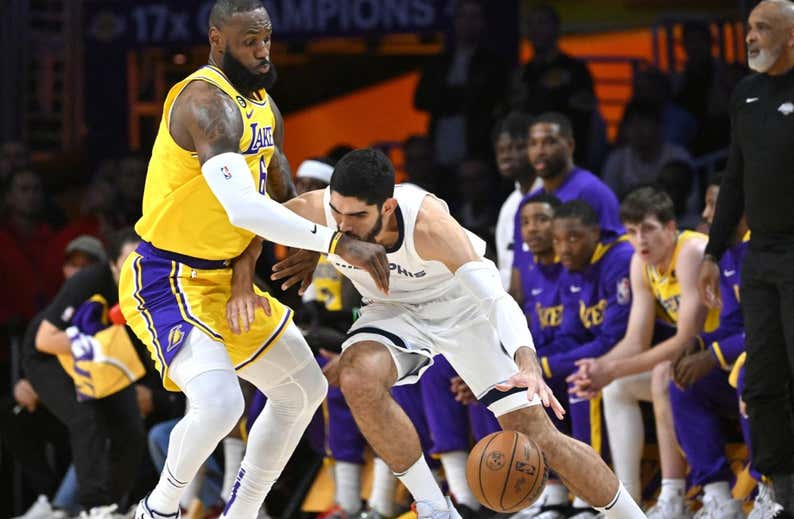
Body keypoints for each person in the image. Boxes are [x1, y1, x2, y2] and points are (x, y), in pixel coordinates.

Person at [115, 2, 389, 518]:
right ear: (217, 39)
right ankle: (157, 509)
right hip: (168, 276)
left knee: (303, 389)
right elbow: (243, 207)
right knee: (221, 403)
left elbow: (278, 193)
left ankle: (241, 512)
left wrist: (290, 250)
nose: (263, 52)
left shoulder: (264, 106)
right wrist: (335, 243)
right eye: (250, 42)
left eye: (267, 39)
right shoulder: (204, 103)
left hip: (223, 277)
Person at [267, 148, 646, 518]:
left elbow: (496, 300)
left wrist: (527, 363)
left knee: (539, 435)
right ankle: (435, 507)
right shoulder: (321, 211)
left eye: (357, 216)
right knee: (356, 376)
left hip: (462, 309)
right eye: (337, 213)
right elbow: (248, 218)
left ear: (388, 207)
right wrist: (310, 244)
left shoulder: (430, 225)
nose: (344, 226)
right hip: (391, 309)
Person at [568, 187, 743, 517]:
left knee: (663, 374)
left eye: (648, 229)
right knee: (616, 387)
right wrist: (599, 367)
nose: (640, 240)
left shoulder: (691, 252)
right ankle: (626, 502)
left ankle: (673, 495)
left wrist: (611, 368)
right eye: (632, 232)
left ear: (670, 227)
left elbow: (684, 340)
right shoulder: (640, 262)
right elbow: (636, 340)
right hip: (701, 362)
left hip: (725, 354)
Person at [697, 1, 794, 514]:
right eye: (748, 28)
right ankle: (780, 492)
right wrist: (713, 251)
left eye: (762, 28)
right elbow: (734, 177)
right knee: (761, 381)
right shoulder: (746, 93)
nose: (750, 37)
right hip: (761, 254)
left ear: (791, 37)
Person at [30, 229, 147, 515]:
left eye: (143, 262)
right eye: (128, 262)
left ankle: (111, 506)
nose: (136, 270)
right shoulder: (88, 280)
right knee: (87, 419)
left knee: (131, 429)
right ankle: (94, 506)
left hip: (101, 353)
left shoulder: (149, 287)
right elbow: (44, 340)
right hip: (49, 357)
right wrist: (98, 346)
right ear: (112, 264)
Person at [511, 112, 623, 298]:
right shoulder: (527, 205)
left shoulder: (592, 191)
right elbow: (520, 266)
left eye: (549, 142)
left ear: (570, 145)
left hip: (585, 306)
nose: (540, 151)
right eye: (533, 144)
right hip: (538, 310)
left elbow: (617, 255)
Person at [492, 112, 542, 289]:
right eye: (501, 150)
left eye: (517, 148)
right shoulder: (509, 205)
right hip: (511, 301)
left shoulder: (553, 196)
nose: (506, 156)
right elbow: (505, 266)